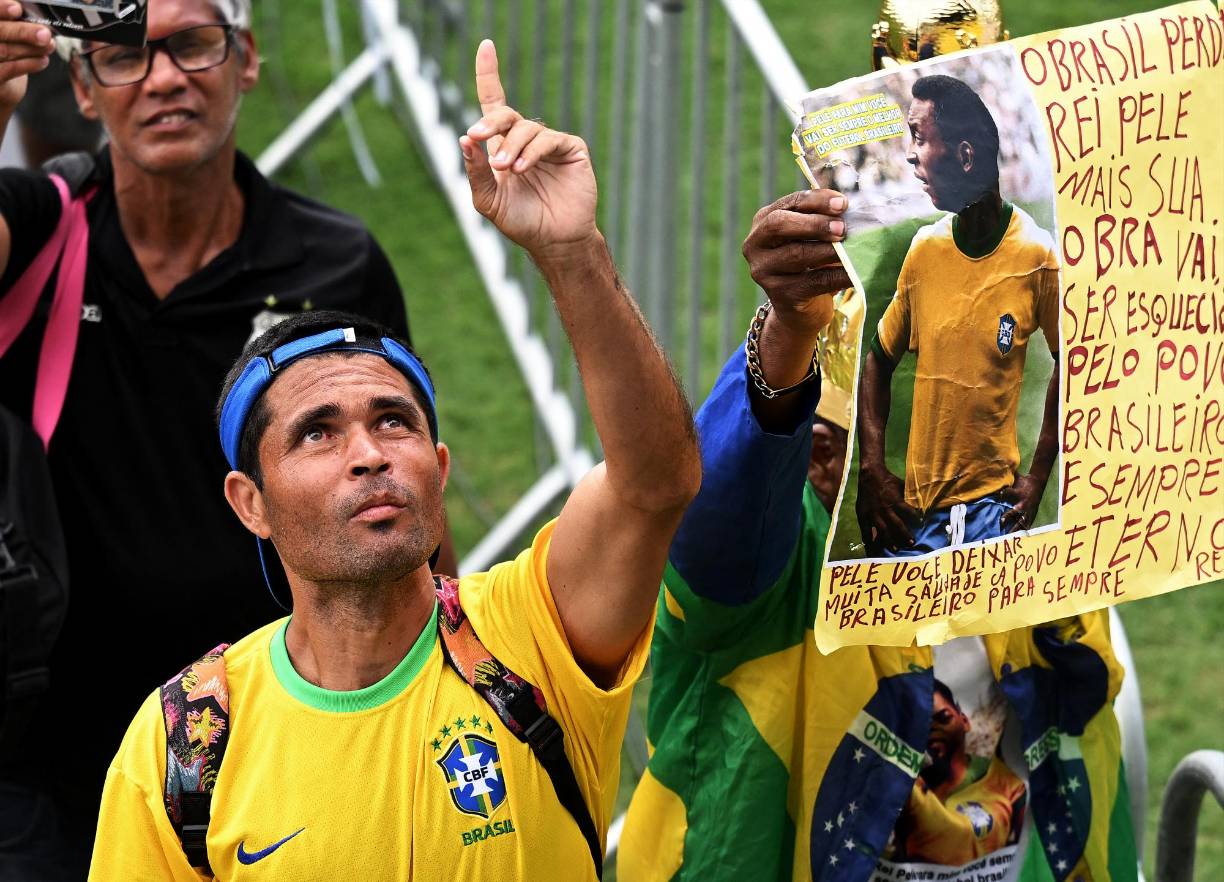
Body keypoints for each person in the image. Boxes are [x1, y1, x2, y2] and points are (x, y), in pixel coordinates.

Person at [88, 38, 700, 880]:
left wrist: (571, 253)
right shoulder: (185, 743)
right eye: (317, 432)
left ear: (440, 468)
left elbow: (654, 484)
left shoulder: (529, 634)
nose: (369, 454)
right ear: (248, 501)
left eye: (394, 421)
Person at [0, 1, 450, 875]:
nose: (164, 77)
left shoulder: (335, 262)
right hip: (47, 753)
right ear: (84, 89)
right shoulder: (39, 232)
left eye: (194, 45)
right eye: (125, 55)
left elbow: (405, 477)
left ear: (245, 58)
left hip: (269, 740)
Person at [618, 180, 1136, 882]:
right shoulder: (765, 564)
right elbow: (722, 511)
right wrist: (786, 331)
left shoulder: (1028, 537)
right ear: (821, 457)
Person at [856, 74, 1061, 557]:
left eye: (919, 138)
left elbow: (1074, 363)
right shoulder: (925, 251)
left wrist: (1037, 477)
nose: (910, 155)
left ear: (965, 156)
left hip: (994, 516)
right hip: (913, 522)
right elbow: (878, 360)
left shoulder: (1036, 256)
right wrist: (872, 467)